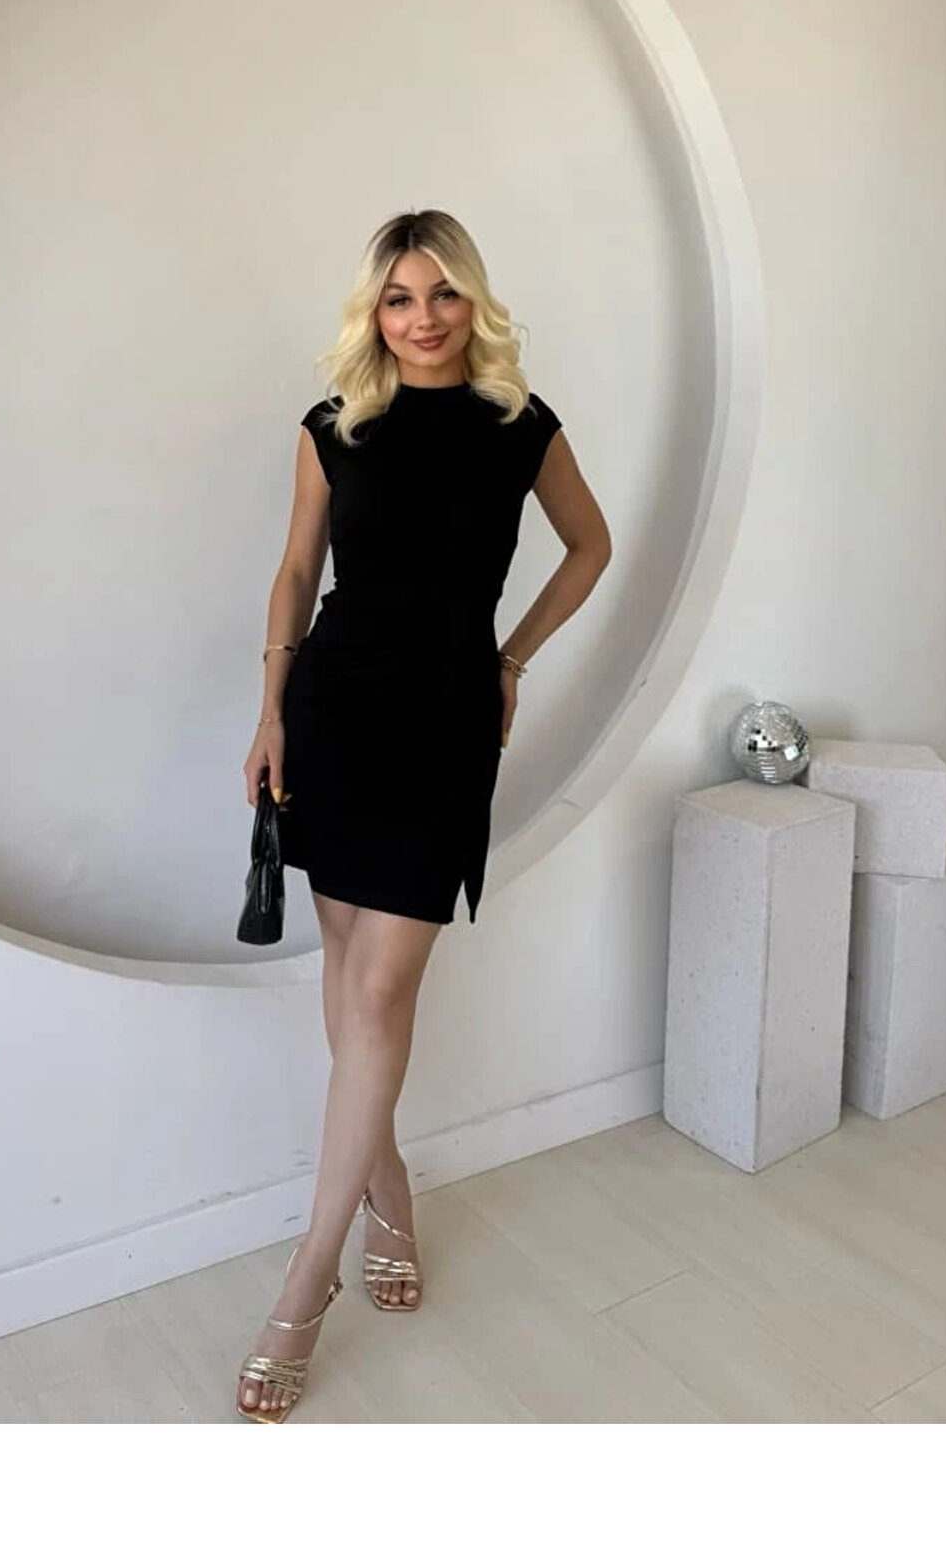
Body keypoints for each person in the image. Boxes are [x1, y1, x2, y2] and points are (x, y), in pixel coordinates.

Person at [234, 209, 612, 1420]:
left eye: (443, 293)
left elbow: (590, 547)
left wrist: (512, 659)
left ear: (472, 300)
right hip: (334, 713)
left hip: (446, 722)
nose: (424, 317)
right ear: (376, 312)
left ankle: (308, 1280)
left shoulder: (520, 426)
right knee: (351, 980)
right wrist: (271, 713)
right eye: (400, 298)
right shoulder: (334, 427)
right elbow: (297, 572)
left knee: (381, 989)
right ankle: (388, 1193)